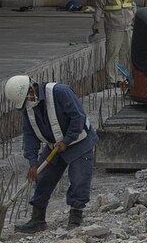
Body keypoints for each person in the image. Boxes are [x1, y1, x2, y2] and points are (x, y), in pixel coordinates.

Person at [7, 73, 95, 230]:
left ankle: (75, 218)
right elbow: (30, 135)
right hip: (54, 146)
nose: (28, 102)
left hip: (79, 141)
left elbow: (78, 117)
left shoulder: (59, 92)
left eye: (28, 98)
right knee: (43, 178)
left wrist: (67, 140)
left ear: (32, 90)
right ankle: (37, 220)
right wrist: (33, 163)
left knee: (79, 178)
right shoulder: (28, 108)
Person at [89, 0, 138, 86]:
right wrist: (96, 23)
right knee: (112, 54)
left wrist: (135, 19)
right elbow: (99, 7)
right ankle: (112, 79)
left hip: (127, 27)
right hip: (113, 27)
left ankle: (121, 78)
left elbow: (133, 5)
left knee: (125, 53)